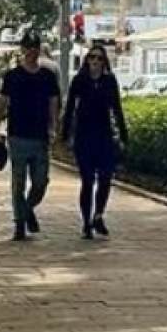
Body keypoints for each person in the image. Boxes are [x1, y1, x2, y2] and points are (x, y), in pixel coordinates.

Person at [0, 35, 62, 240]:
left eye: (35, 47)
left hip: (40, 136)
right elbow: (2, 103)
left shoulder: (47, 76)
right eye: (28, 47)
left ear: (39, 50)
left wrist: (54, 128)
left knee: (41, 181)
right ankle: (19, 223)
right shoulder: (12, 76)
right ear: (22, 50)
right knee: (18, 181)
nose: (32, 51)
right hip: (17, 135)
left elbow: (53, 103)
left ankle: (27, 208)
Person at [60, 45, 129, 240]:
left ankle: (98, 214)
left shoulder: (109, 81)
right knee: (88, 181)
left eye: (99, 58)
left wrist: (124, 135)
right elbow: (70, 108)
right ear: (87, 61)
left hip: (104, 136)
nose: (95, 61)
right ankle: (86, 222)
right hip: (84, 137)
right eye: (92, 58)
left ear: (104, 61)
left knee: (106, 178)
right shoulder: (80, 81)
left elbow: (117, 108)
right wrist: (65, 134)